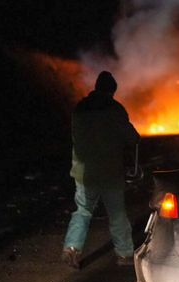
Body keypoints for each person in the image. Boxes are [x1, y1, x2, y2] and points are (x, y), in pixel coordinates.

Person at [61, 71, 139, 269]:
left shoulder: (80, 108)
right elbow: (132, 138)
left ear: (96, 87)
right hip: (110, 173)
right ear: (112, 90)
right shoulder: (115, 109)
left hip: (83, 172)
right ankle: (125, 254)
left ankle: (71, 248)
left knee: (83, 211)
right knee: (117, 214)